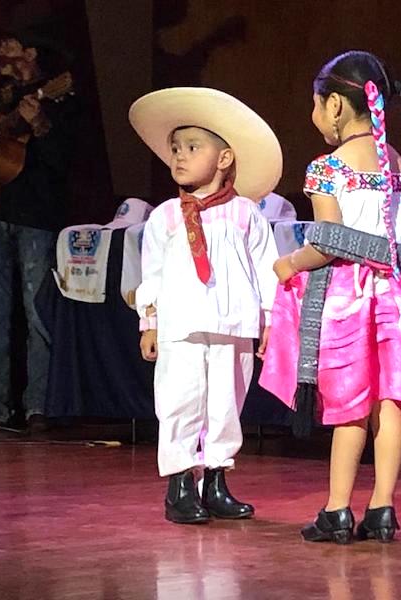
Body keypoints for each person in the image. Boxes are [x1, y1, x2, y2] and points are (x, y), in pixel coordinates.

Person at [259, 51, 401, 543]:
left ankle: (337, 509)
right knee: (391, 400)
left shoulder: (327, 169)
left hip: (348, 298)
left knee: (349, 406)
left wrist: (289, 263)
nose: (314, 115)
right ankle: (382, 507)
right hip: (400, 297)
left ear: (337, 107)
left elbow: (327, 242)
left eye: (316, 105)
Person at [129, 87, 281, 524]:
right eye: (175, 148)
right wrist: (150, 322)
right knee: (180, 401)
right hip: (181, 326)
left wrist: (269, 320)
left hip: (233, 324)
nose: (179, 156)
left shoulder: (247, 214)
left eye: (192, 147)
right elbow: (152, 273)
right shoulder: (165, 217)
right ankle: (180, 483)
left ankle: (216, 481)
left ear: (225, 158)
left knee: (226, 403)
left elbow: (266, 269)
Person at [0, 16, 80, 433]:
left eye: (7, 44)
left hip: (37, 217)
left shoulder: (60, 95)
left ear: (31, 53)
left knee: (38, 316)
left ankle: (40, 406)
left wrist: (40, 124)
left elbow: (66, 162)